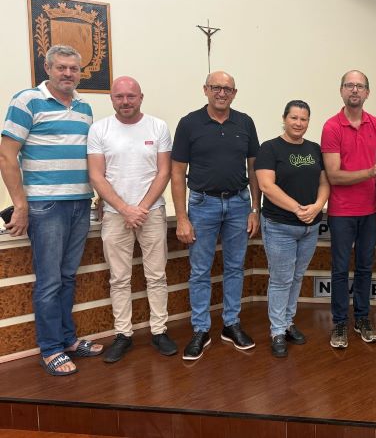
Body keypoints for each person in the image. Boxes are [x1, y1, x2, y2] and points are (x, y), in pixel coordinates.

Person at [0, 44, 103, 375]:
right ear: (47, 69)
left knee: (67, 276)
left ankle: (68, 339)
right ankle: (51, 348)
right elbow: (6, 156)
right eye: (61, 67)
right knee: (49, 281)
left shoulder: (84, 107)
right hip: (45, 205)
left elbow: (88, 158)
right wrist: (21, 205)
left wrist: (99, 195)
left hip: (80, 202)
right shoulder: (27, 101)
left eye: (73, 69)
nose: (68, 74)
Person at [171, 71, 261, 361]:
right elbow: (176, 173)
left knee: (235, 267)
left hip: (239, 204)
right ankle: (201, 329)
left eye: (227, 89)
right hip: (202, 205)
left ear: (234, 93)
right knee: (200, 270)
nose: (222, 93)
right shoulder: (189, 123)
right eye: (216, 87)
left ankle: (231, 324)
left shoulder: (245, 122)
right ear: (205, 89)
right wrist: (182, 217)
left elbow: (254, 170)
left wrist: (255, 209)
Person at [87, 76, 176, 363]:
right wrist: (125, 209)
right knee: (119, 278)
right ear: (112, 99)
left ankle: (159, 331)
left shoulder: (158, 127)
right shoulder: (99, 129)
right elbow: (96, 175)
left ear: (141, 97)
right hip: (115, 215)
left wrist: (141, 208)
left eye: (131, 96)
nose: (125, 102)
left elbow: (164, 172)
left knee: (157, 276)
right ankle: (123, 335)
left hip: (152, 212)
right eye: (119, 96)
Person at [255, 100, 330, 357]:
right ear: (284, 118)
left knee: (297, 277)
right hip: (280, 226)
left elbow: (324, 183)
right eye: (294, 118)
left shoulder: (315, 149)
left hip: (310, 227)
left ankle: (288, 323)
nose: (298, 123)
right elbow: (267, 186)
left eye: (303, 119)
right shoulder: (269, 148)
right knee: (281, 280)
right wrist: (298, 209)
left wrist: (317, 206)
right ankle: (276, 331)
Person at [321, 70, 376, 348]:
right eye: (349, 85)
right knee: (339, 269)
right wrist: (369, 172)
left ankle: (362, 318)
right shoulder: (331, 127)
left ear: (367, 92)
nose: (355, 90)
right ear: (341, 91)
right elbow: (334, 176)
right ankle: (339, 322)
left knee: (364, 268)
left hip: (370, 210)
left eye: (360, 86)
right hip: (341, 211)